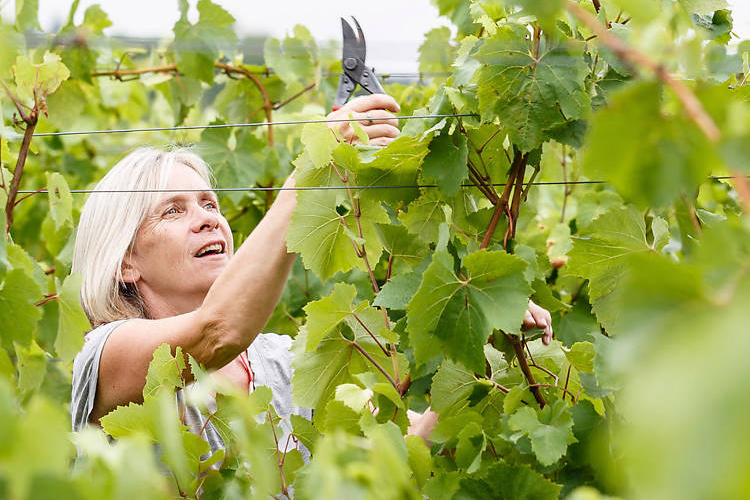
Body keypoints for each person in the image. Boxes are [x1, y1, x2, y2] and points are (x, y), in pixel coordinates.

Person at [70, 94, 553, 460]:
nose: (207, 219)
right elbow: (217, 332)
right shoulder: (107, 353)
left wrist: (484, 356)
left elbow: (405, 448)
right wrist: (311, 169)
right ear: (124, 262)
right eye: (172, 211)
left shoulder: (283, 362)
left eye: (210, 204)